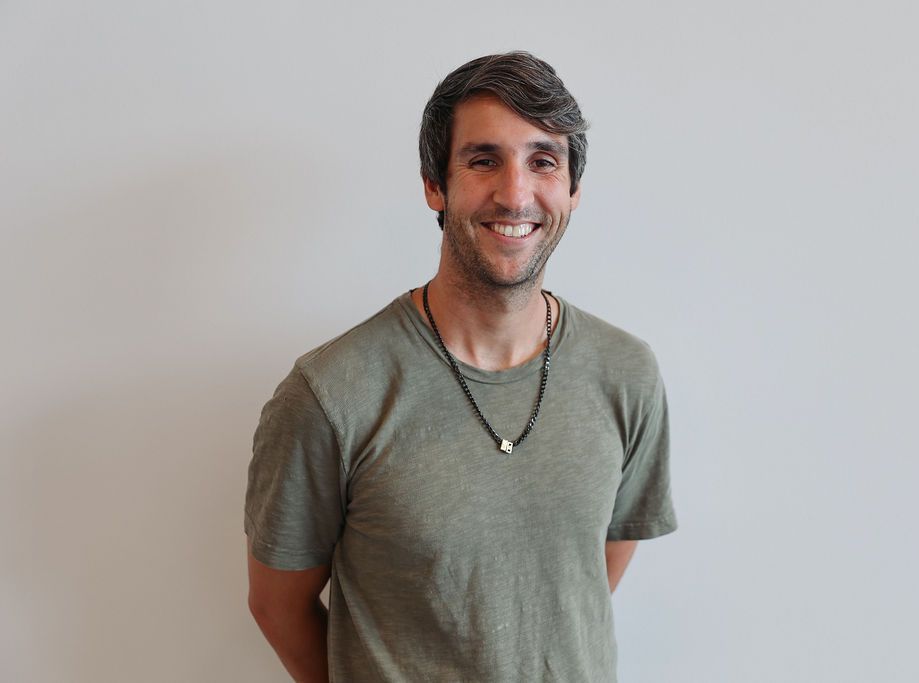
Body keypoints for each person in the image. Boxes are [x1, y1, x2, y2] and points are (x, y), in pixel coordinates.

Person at [244, 50, 678, 682]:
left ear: (573, 190)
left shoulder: (625, 373)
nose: (516, 193)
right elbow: (277, 606)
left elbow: (585, 576)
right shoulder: (330, 395)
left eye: (543, 161)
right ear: (434, 185)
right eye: (483, 160)